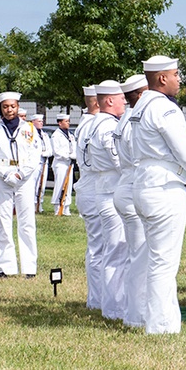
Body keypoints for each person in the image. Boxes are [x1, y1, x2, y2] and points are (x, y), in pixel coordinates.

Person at [130, 55, 186, 334]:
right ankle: (161, 326)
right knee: (164, 261)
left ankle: (140, 316)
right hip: (163, 185)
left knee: (150, 257)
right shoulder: (164, 108)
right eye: (176, 74)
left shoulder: (140, 106)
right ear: (162, 78)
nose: (180, 80)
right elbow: (183, 148)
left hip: (143, 181)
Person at [0, 92, 42, 278]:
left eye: (13, 106)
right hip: (3, 176)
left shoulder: (29, 128)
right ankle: (5, 267)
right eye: (5, 107)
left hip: (24, 177)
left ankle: (29, 267)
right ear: (0, 108)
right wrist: (5, 172)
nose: (9, 110)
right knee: (4, 220)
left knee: (27, 222)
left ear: (18, 107)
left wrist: (21, 173)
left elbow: (35, 154)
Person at [84, 80, 129, 320]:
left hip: (103, 190)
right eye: (121, 97)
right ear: (109, 100)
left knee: (109, 251)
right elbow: (118, 160)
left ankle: (108, 304)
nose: (125, 101)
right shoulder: (108, 127)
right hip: (112, 193)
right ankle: (114, 309)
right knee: (117, 252)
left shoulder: (95, 123)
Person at [113, 74, 149, 328]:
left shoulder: (125, 118)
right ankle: (137, 315)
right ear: (139, 94)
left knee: (135, 255)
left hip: (124, 185)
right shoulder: (136, 120)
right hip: (135, 186)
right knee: (141, 256)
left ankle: (132, 309)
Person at [74, 84, 104, 311]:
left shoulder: (88, 124)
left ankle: (98, 298)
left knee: (100, 248)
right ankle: (97, 299)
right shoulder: (93, 125)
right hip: (94, 189)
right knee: (98, 248)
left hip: (92, 188)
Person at [51, 113, 76, 216]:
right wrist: (68, 155)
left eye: (68, 121)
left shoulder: (70, 135)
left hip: (69, 163)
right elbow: (56, 152)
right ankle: (57, 206)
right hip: (60, 163)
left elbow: (73, 146)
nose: (68, 123)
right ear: (60, 123)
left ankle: (66, 207)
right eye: (66, 121)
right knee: (60, 185)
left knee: (69, 186)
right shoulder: (55, 135)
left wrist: (73, 154)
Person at [31, 114, 53, 213]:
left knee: (42, 185)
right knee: (33, 185)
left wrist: (46, 153)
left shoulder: (44, 134)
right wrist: (41, 153)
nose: (41, 123)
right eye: (39, 121)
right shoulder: (31, 134)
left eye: (42, 121)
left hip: (44, 162)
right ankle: (32, 204)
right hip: (35, 163)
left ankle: (39, 204)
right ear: (33, 122)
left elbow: (50, 149)